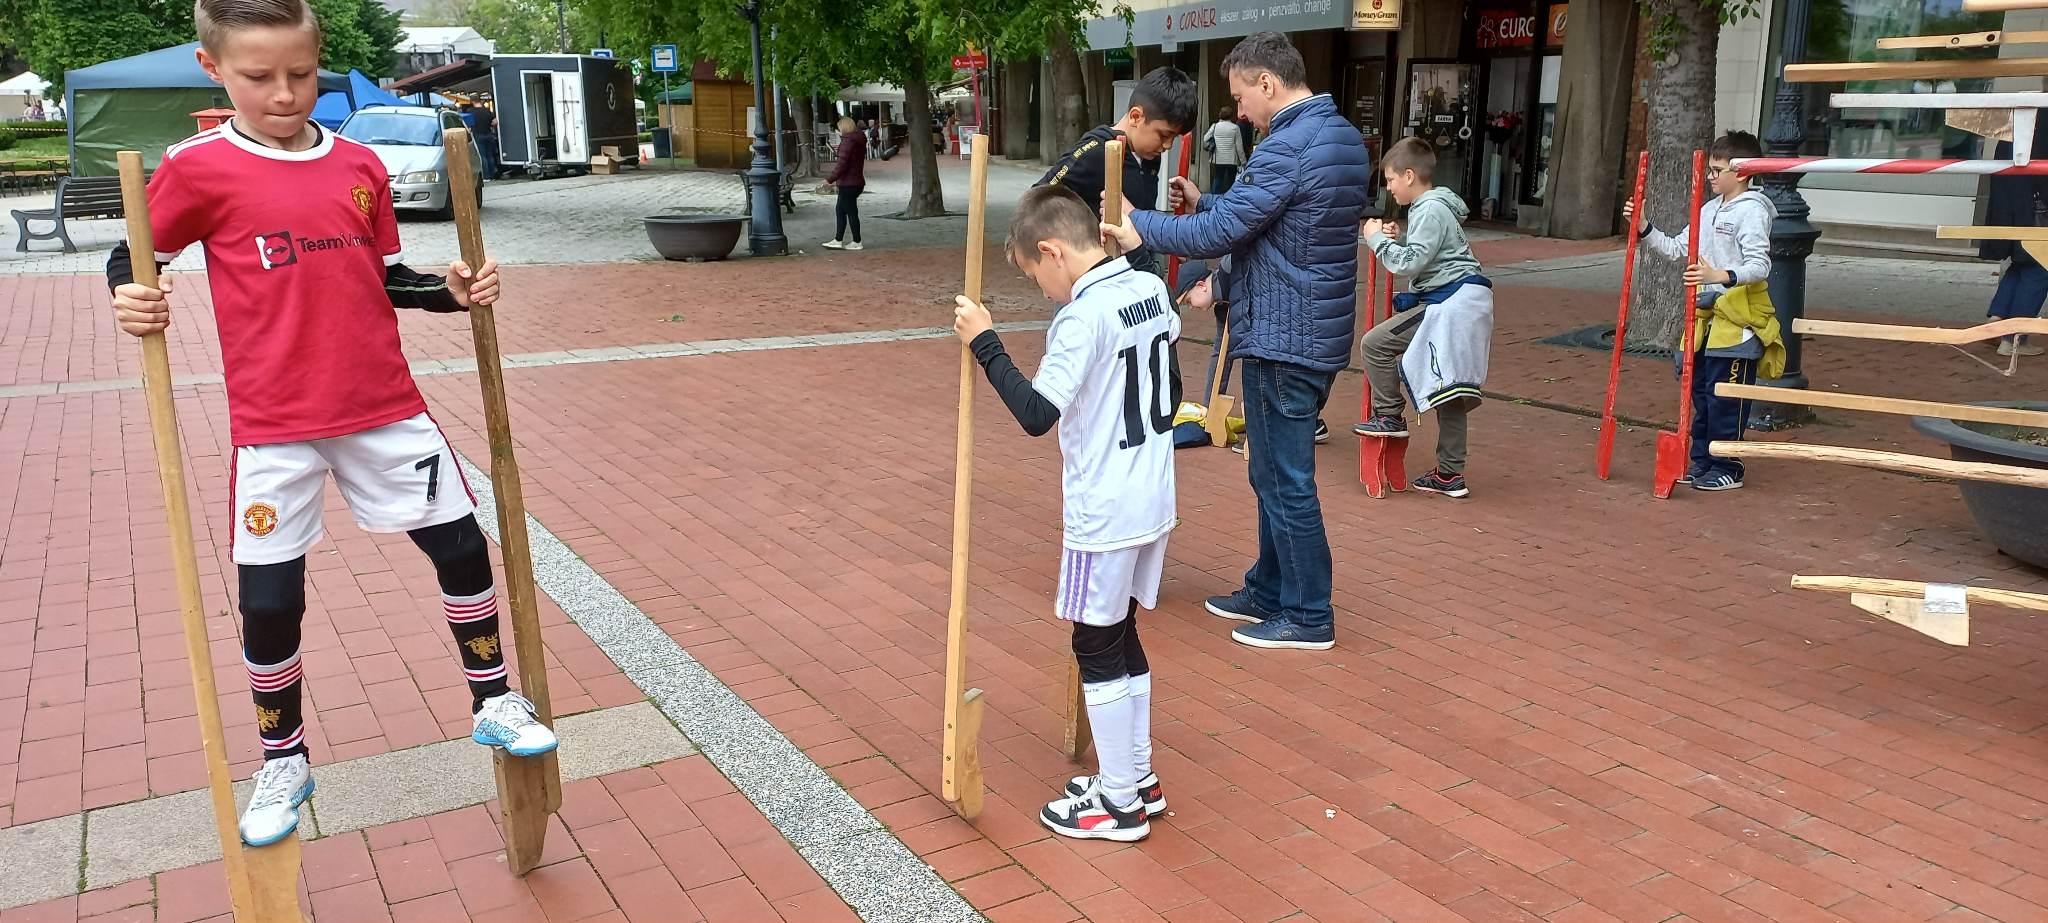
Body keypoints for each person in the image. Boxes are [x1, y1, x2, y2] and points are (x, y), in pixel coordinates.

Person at [105, 0, 555, 848]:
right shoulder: (198, 168)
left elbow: (388, 277)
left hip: (383, 405)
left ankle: (493, 699)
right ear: (213, 70)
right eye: (258, 76)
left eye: (302, 74)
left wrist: (450, 291)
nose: (284, 94)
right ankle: (284, 758)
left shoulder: (358, 163)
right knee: (269, 599)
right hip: (275, 422)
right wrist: (130, 294)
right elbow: (134, 254)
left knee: (462, 548)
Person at [1109, 31, 1369, 651]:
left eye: (1241, 97)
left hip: (1285, 333)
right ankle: (1270, 587)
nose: (1240, 111)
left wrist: (1135, 223)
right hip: (1310, 327)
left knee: (1284, 479)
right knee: (1271, 471)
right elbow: (1276, 221)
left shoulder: (1288, 145)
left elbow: (1224, 232)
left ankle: (1308, 614)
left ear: (1267, 83)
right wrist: (1208, 202)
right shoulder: (1337, 136)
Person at [952, 185, 1178, 841]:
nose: (1044, 290)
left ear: (1052, 251)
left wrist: (985, 342)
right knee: (1121, 634)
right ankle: (1137, 775)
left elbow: (1036, 413)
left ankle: (1120, 801)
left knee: (1094, 644)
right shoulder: (1147, 287)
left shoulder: (1082, 317)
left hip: (1102, 508)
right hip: (1151, 493)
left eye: (1035, 274)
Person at [1625, 129, 1784, 492]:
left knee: (1726, 398)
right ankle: (1703, 460)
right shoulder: (1709, 209)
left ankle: (1729, 465)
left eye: (1717, 170)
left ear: (1741, 172)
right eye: (1709, 169)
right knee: (1700, 394)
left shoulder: (1753, 211)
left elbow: (1760, 265)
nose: (1710, 176)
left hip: (1737, 322)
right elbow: (1677, 248)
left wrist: (1720, 276)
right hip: (1705, 321)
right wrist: (1644, 227)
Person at [1354, 138, 1492, 499]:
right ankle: (1449, 474)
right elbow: (1428, 255)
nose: (1388, 187)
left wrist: (1376, 240)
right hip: (1468, 302)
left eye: (1390, 179)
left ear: (1409, 175)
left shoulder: (1428, 209)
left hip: (1453, 303)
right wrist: (1398, 240)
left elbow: (1410, 263)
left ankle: (1389, 414)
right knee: (1451, 389)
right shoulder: (1437, 207)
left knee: (1375, 344)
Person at [1038, 66, 1197, 278]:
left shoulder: (1150, 157)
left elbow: (1142, 209)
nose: (1168, 145)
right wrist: (1084, 238)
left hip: (1137, 267)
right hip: (1099, 275)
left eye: (1174, 138)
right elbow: (1039, 195)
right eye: (1163, 135)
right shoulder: (1096, 150)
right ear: (1136, 116)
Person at [1981, 125, 2048, 357]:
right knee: (2040, 268)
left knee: (2022, 262)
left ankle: (1997, 320)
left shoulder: (2016, 121)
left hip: (2012, 204)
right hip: (2037, 207)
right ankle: (2014, 338)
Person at [824, 116, 866, 251]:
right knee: (841, 210)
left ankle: (857, 241)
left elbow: (842, 164)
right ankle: (838, 239)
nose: (838, 131)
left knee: (851, 212)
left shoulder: (848, 141)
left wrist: (830, 179)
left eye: (839, 128)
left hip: (848, 183)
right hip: (855, 181)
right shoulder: (858, 140)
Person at [1204, 106, 1243, 194]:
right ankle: (1230, 198)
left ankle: (1214, 198)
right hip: (1231, 160)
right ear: (1231, 116)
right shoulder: (1235, 128)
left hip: (1218, 159)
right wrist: (1243, 162)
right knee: (1231, 181)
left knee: (1218, 178)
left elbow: (1205, 139)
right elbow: (1239, 147)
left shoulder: (1215, 126)